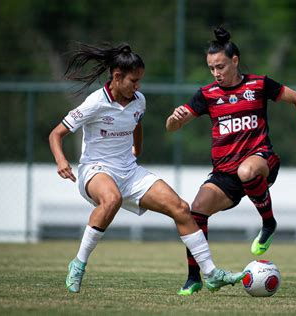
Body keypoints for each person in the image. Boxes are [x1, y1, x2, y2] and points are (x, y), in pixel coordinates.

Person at [48, 42, 244, 294]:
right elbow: (56, 133)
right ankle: (78, 264)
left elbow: (137, 124)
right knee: (111, 199)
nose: (138, 86)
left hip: (129, 171)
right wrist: (62, 161)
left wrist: (136, 150)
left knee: (181, 208)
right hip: (95, 170)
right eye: (133, 81)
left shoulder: (138, 100)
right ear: (117, 77)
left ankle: (211, 274)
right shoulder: (95, 102)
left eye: (139, 81)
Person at [166, 27, 296, 295]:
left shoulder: (258, 85)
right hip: (224, 174)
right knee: (196, 210)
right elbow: (171, 128)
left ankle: (268, 222)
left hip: (261, 161)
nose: (216, 73)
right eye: (211, 68)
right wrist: (174, 119)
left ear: (235, 61)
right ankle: (194, 277)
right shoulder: (206, 95)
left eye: (221, 66)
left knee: (247, 170)